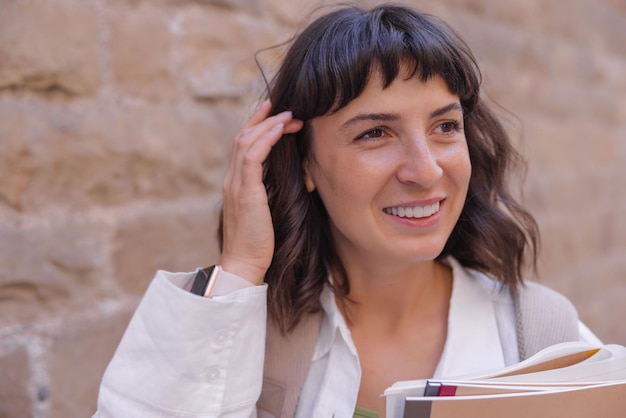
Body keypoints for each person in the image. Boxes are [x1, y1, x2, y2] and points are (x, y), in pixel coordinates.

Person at [94, 4, 600, 418]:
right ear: (305, 163)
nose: (424, 172)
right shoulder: (241, 340)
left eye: (445, 127)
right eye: (374, 133)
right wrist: (242, 268)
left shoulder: (542, 338)